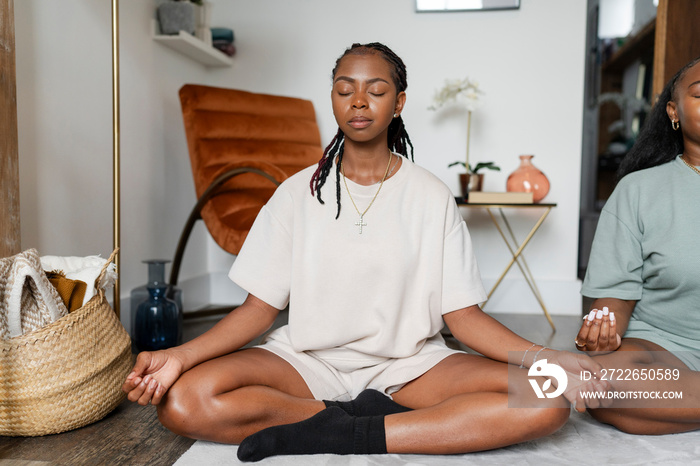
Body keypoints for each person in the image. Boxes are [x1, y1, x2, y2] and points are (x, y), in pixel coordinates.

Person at [123, 42, 606, 461]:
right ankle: (357, 421)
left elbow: (463, 318)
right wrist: (179, 357)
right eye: (343, 88)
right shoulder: (296, 194)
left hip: (411, 366)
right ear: (332, 97)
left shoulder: (431, 196)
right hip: (307, 362)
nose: (358, 100)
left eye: (375, 90)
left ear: (398, 102)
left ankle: (346, 432)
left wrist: (549, 359)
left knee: (545, 399)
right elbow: (258, 311)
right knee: (184, 401)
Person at [576, 56, 700, 434]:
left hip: (675, 387)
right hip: (664, 348)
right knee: (594, 377)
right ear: (673, 112)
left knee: (605, 401)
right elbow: (614, 300)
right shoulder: (639, 190)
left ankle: (676, 406)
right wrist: (604, 333)